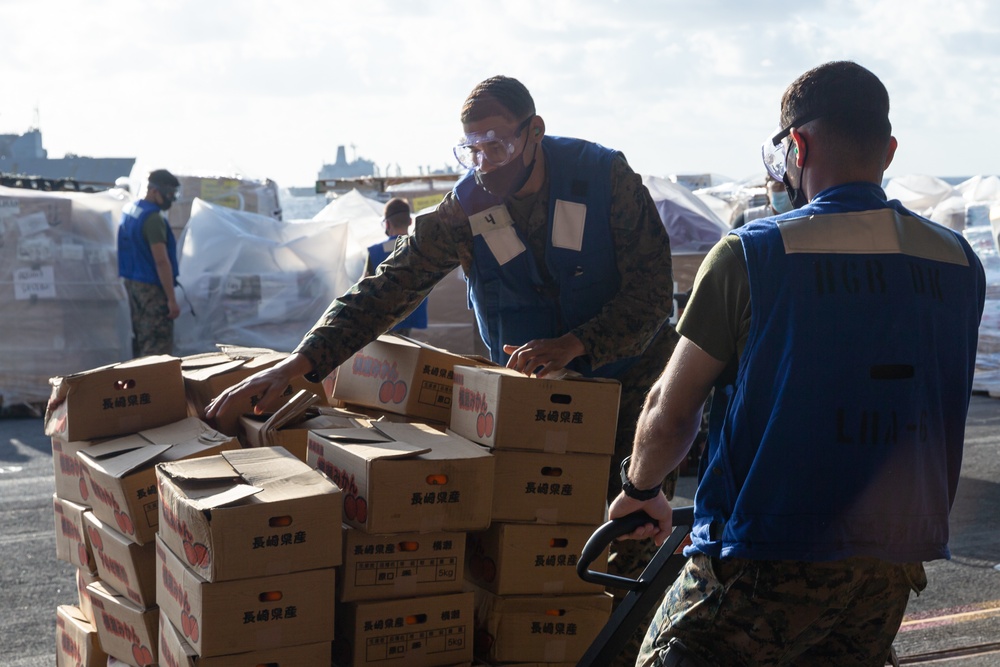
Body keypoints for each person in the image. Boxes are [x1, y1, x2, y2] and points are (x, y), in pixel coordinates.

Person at [207, 75, 679, 667]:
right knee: (536, 539)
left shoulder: (604, 179)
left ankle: (628, 653)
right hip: (534, 398)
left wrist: (577, 343)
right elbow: (384, 292)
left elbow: (655, 293)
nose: (485, 163)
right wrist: (301, 363)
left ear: (535, 132)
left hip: (633, 387)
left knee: (633, 542)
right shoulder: (467, 209)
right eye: (471, 148)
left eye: (498, 146)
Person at [609, 60, 986, 667]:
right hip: (889, 569)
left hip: (765, 557)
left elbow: (668, 412)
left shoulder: (754, 252)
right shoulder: (959, 262)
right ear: (888, 150)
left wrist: (639, 489)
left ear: (796, 148)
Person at [117, 168, 182, 357]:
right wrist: (171, 299)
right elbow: (161, 261)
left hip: (132, 286)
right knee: (156, 349)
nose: (172, 199)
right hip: (152, 291)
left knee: (139, 342)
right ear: (154, 191)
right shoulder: (153, 219)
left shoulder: (131, 210)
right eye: (169, 194)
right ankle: (155, 386)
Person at [363, 197, 428, 337]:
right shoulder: (422, 248)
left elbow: (364, 286)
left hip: (383, 320)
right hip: (412, 316)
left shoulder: (374, 252)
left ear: (387, 224)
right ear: (410, 221)